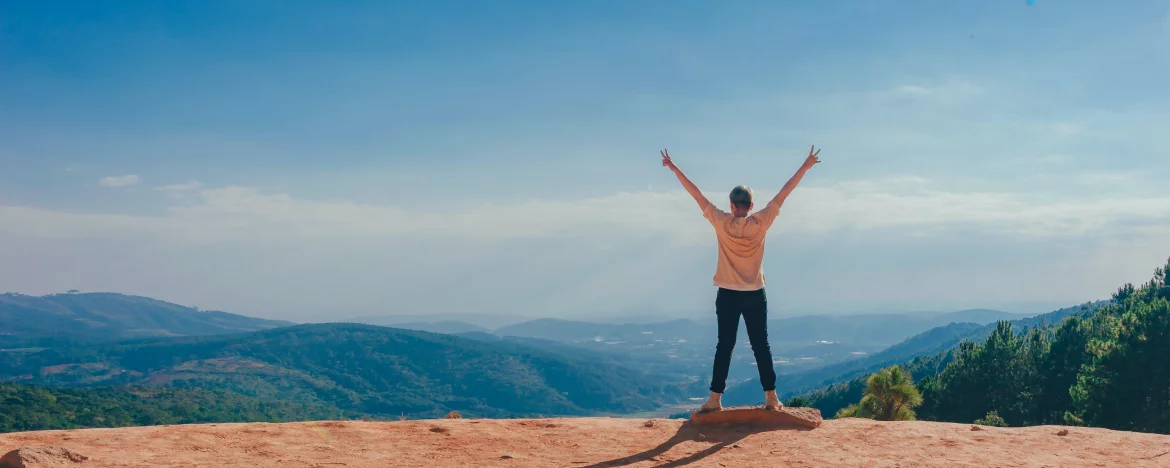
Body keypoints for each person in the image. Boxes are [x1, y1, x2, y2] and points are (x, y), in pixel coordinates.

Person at [660, 145, 821, 412]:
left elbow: (696, 195)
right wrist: (805, 166)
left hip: (727, 293)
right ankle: (771, 398)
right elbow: (784, 193)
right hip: (755, 293)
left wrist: (675, 169)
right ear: (751, 206)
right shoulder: (762, 221)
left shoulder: (721, 222)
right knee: (761, 345)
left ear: (732, 205)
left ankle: (714, 399)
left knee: (725, 346)